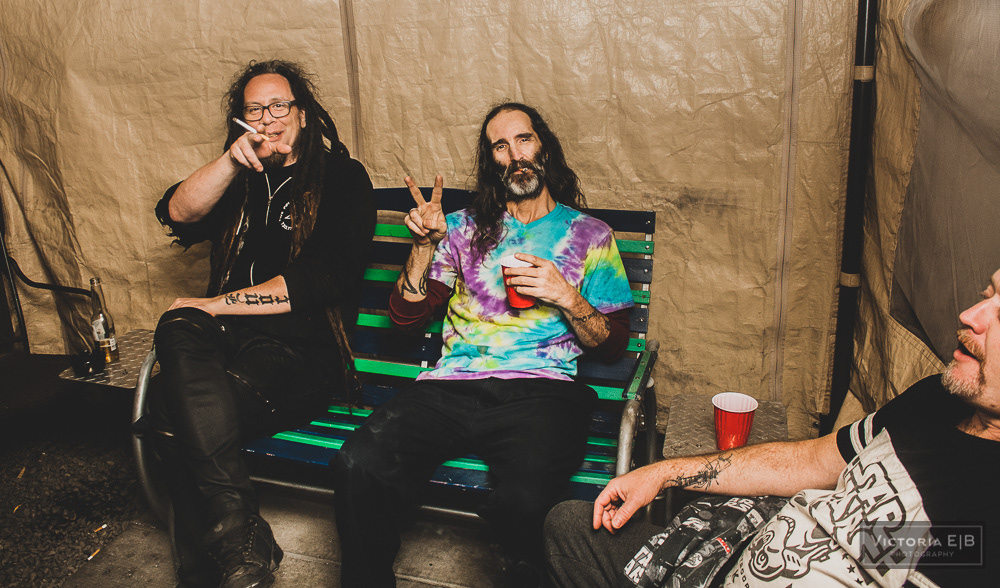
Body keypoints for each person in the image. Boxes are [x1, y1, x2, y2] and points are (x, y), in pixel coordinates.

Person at [330, 102, 636, 587]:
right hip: (451, 386)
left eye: (524, 139)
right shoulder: (461, 228)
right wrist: (424, 246)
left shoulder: (590, 236)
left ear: (545, 148)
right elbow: (406, 317)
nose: (515, 155)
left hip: (541, 390)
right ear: (491, 161)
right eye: (500, 146)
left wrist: (566, 295)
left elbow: (613, 346)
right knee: (356, 466)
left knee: (526, 502)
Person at [545, 269, 1000, 587]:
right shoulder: (935, 401)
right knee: (570, 526)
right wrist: (663, 474)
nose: (970, 314)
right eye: (987, 294)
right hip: (724, 561)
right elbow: (812, 461)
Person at [148, 59, 375, 588]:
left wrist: (216, 305)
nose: (268, 118)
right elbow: (176, 213)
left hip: (299, 353)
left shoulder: (342, 177)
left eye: (278, 106)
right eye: (254, 110)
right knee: (177, 323)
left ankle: (205, 572)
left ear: (302, 113)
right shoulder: (239, 177)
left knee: (169, 414)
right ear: (240, 120)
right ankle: (240, 537)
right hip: (226, 344)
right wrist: (231, 160)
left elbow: (322, 278)